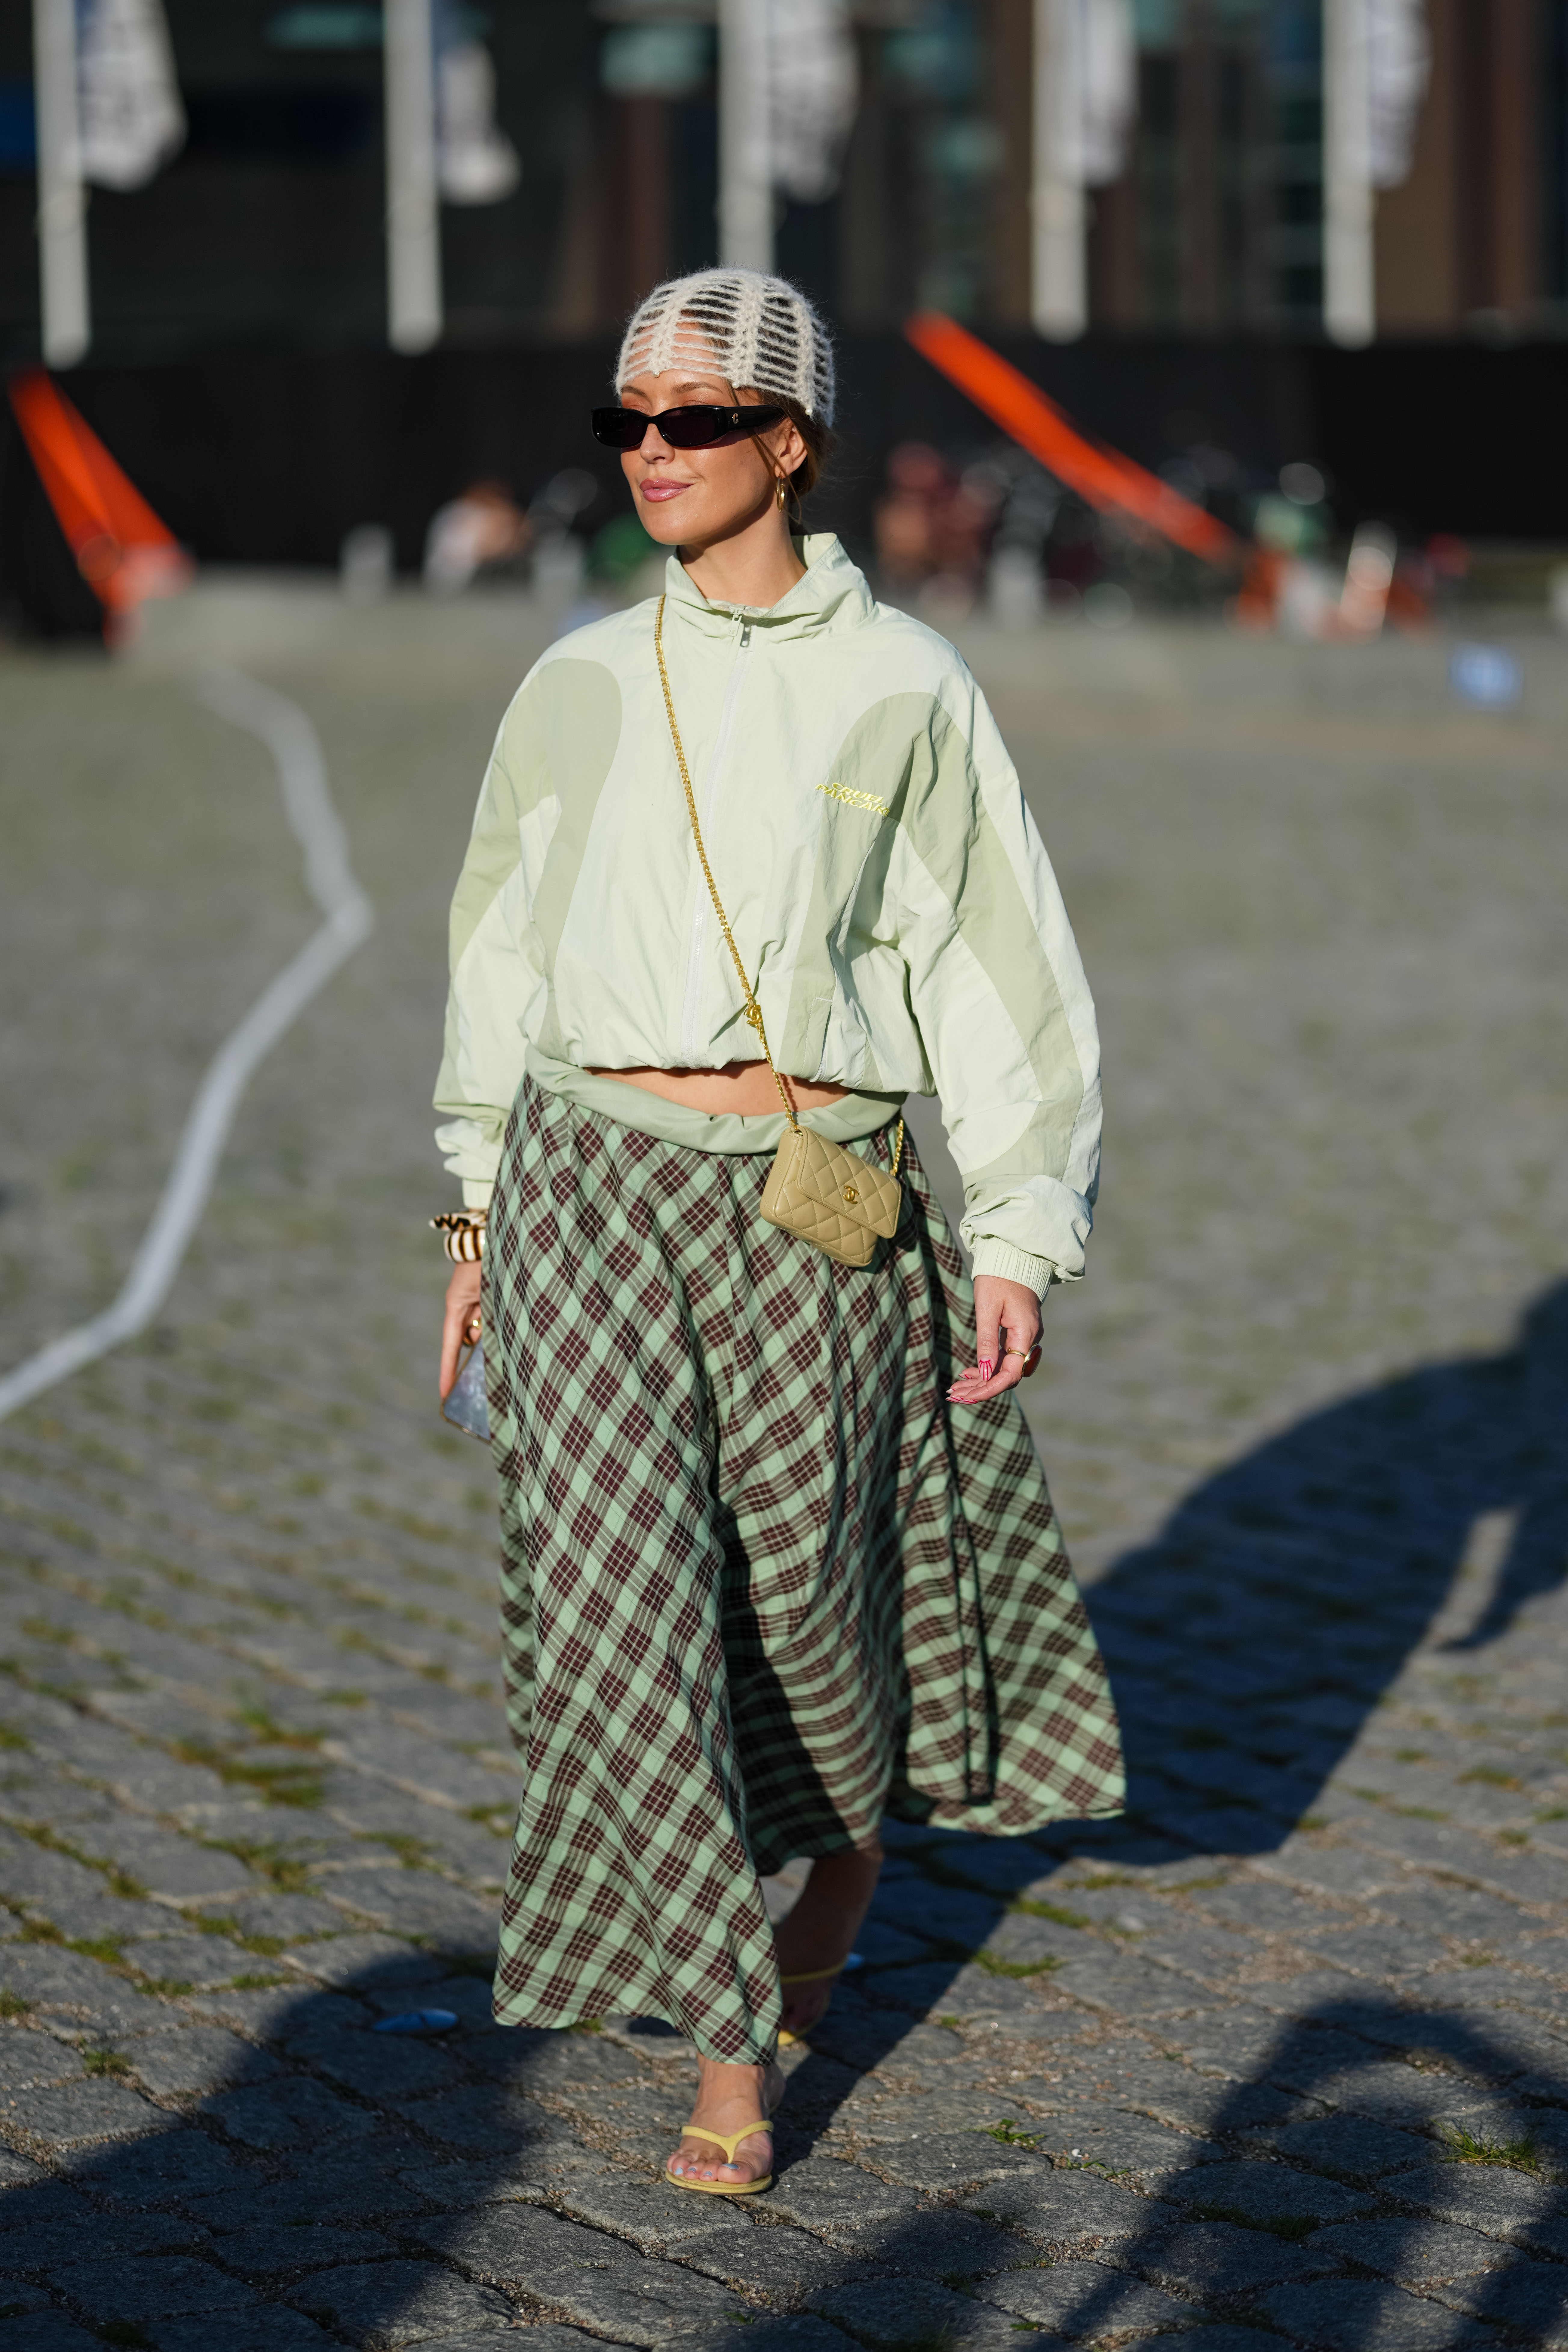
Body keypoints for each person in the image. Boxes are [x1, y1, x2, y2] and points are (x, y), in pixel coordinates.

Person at [432, 268, 1123, 2198]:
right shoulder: (573, 681)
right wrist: (470, 1209)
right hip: (586, 1188)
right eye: (628, 421)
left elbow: (994, 964)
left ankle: (844, 1859)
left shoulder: (907, 684)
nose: (651, 451)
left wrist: (1020, 1229)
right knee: (621, 1614)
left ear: (791, 438)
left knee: (813, 1624)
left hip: (813, 1202)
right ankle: (732, 2055)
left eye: (696, 419)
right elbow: (497, 951)